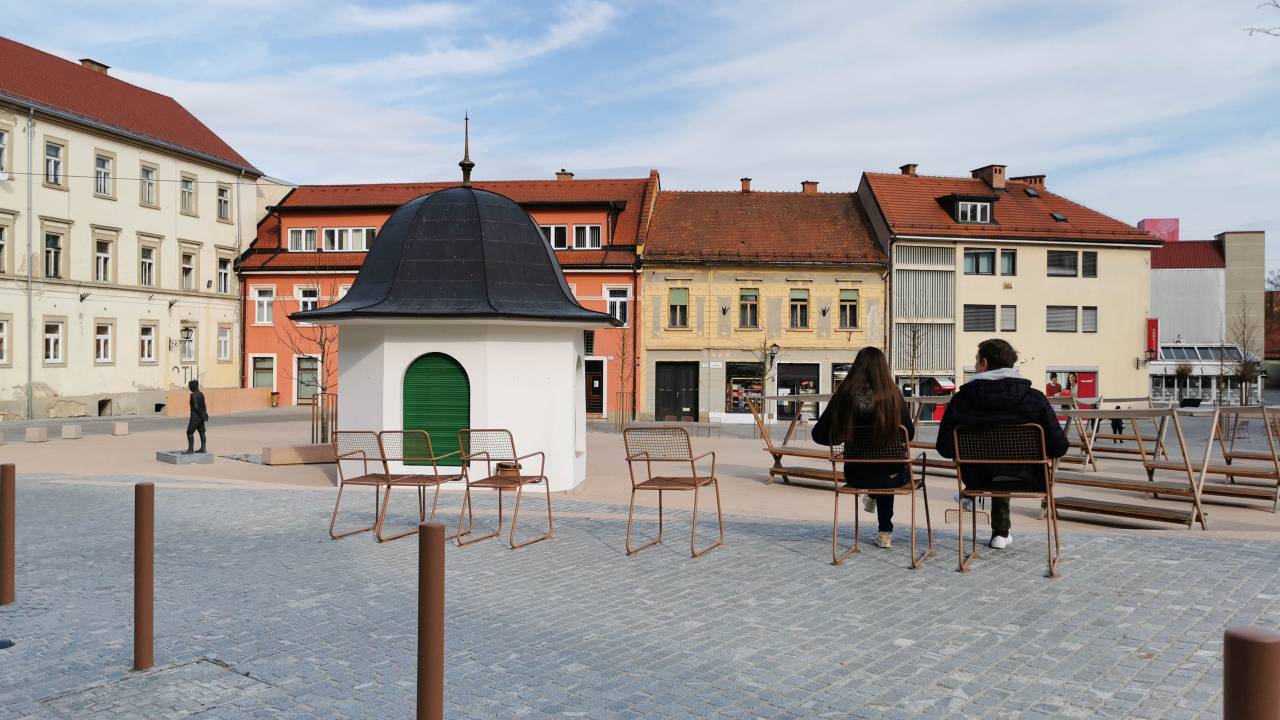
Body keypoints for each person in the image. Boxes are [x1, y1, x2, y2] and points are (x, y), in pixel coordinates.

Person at [936, 339, 1068, 549]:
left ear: (984, 363)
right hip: (1028, 478)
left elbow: (944, 447)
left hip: (977, 478)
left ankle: (998, 531)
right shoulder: (1035, 399)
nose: (975, 365)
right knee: (1005, 465)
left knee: (996, 466)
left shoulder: (961, 400)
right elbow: (1059, 446)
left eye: (976, 360)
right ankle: (1002, 533)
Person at [812, 346, 914, 549]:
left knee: (880, 473)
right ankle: (885, 533)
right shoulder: (893, 395)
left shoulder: (844, 395)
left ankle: (873, 495)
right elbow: (908, 434)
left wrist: (842, 436)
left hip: (855, 474)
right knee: (890, 472)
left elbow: (819, 434)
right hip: (890, 475)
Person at [185, 379, 209, 454]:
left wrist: (202, 414)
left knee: (189, 432)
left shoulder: (193, 395)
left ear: (193, 386)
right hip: (201, 417)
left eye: (190, 386)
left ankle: (190, 449)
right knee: (202, 432)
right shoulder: (201, 394)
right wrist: (204, 414)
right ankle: (203, 449)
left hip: (195, 417)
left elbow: (196, 407)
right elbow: (204, 405)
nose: (189, 388)